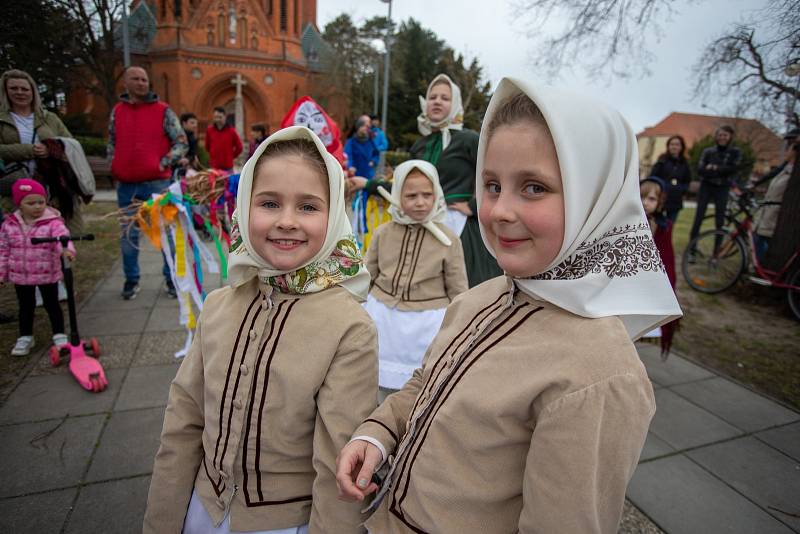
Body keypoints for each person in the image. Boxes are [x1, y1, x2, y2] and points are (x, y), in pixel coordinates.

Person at [336, 78, 681, 533]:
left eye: (534, 187)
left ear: (594, 197)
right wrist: (378, 433)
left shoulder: (598, 374)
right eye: (492, 185)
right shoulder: (481, 298)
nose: (499, 210)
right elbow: (426, 382)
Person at [143, 126, 378, 534]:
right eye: (269, 203)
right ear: (243, 206)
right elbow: (182, 424)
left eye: (308, 207)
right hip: (200, 512)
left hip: (286, 523)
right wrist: (160, 523)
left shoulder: (349, 327)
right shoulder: (218, 306)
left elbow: (338, 466)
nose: (287, 221)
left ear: (335, 214)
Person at [364, 159, 468, 396]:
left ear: (436, 195)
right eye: (411, 196)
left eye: (427, 195)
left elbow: (458, 289)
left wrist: (459, 326)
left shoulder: (449, 239)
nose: (420, 203)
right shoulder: (383, 233)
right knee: (376, 381)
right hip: (384, 317)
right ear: (398, 195)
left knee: (417, 385)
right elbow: (368, 275)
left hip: (425, 323)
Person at [108, 66, 187, 300]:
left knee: (166, 234)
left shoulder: (163, 111)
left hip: (156, 184)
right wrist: (114, 164)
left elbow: (180, 142)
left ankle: (171, 279)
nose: (142, 83)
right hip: (127, 185)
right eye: (136, 79)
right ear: (126, 83)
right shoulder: (118, 111)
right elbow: (111, 141)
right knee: (128, 235)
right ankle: (131, 280)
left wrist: (162, 163)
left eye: (144, 79)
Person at [0, 69, 85, 233]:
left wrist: (50, 149)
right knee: (18, 238)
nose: (20, 93)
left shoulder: (49, 118)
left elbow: (71, 145)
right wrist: (29, 150)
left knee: (54, 236)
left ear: (33, 91)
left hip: (51, 187)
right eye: (14, 88)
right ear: (5, 91)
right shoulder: (2, 120)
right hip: (15, 187)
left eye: (25, 89)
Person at [0, 179, 75, 356]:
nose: (37, 207)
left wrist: (66, 251)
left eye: (41, 202)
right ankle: (25, 336)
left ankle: (59, 334)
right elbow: (3, 249)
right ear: (19, 203)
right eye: (31, 203)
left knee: (52, 304)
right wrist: (1, 272)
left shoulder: (52, 222)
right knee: (26, 306)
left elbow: (62, 238)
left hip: (46, 273)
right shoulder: (9, 225)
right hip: (21, 275)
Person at [640, 176, 679, 357]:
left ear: (660, 202)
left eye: (651, 199)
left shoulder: (663, 226)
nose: (645, 203)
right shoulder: (624, 220)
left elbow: (666, 258)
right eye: (641, 196)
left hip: (647, 283)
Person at [688, 125, 741, 255]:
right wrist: (718, 170)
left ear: (730, 137)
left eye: (725, 135)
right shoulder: (708, 151)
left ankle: (716, 252)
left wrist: (714, 168)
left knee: (720, 221)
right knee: (698, 218)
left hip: (722, 188)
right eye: (720, 135)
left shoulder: (734, 152)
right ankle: (692, 250)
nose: (722, 137)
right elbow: (701, 170)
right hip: (706, 187)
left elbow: (733, 169)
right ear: (716, 136)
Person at [753, 141, 797, 261]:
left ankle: (762, 270)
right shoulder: (784, 169)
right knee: (757, 239)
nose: (786, 151)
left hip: (774, 215)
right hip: (766, 213)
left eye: (789, 149)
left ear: (794, 152)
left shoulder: (793, 173)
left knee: (762, 242)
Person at [649, 134, 691, 223]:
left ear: (681, 147)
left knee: (669, 225)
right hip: (660, 198)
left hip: (675, 199)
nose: (674, 147)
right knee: (654, 223)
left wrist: (682, 190)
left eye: (677, 144)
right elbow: (652, 177)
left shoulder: (685, 163)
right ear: (668, 146)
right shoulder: (662, 160)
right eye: (672, 144)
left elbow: (687, 180)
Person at [205, 106, 243, 171]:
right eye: (216, 117)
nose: (217, 120)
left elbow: (239, 147)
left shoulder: (231, 131)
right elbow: (207, 146)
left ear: (225, 117)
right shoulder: (209, 130)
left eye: (220, 117)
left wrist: (231, 157)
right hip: (214, 167)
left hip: (228, 168)